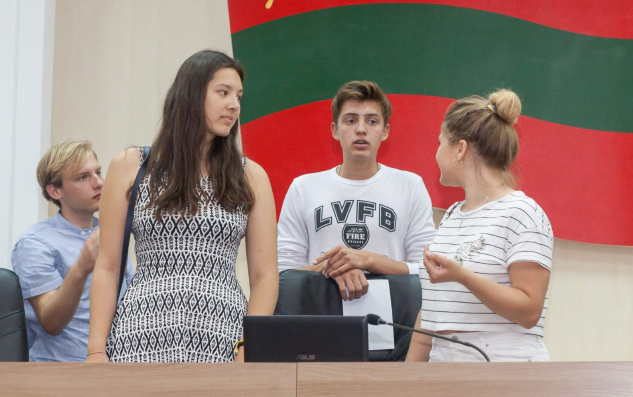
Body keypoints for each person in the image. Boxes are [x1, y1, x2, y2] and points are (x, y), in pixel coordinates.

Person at [87, 50, 278, 363]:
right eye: (223, 92)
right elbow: (107, 266)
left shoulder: (250, 176)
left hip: (223, 338)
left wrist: (249, 347)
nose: (234, 105)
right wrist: (96, 350)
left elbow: (265, 276)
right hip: (140, 336)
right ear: (191, 94)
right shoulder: (131, 165)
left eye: (238, 96)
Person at [406, 89, 553, 362]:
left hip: (504, 368)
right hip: (442, 368)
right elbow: (432, 311)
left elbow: (529, 310)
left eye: (440, 143)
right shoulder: (452, 215)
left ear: (460, 149)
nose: (436, 153)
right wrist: (407, 378)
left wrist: (463, 276)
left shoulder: (523, 213)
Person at [277, 80, 437, 300]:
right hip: (319, 314)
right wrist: (331, 268)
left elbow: (427, 269)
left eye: (372, 121)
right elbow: (283, 274)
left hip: (391, 314)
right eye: (351, 120)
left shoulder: (410, 186)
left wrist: (370, 261)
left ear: (385, 131)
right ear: (335, 130)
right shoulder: (303, 188)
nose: (361, 129)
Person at [11, 141, 133, 361]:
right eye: (82, 177)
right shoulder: (34, 243)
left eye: (98, 172)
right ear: (55, 190)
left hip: (120, 364)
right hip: (62, 370)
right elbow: (51, 322)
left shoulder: (111, 232)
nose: (99, 183)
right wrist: (81, 268)